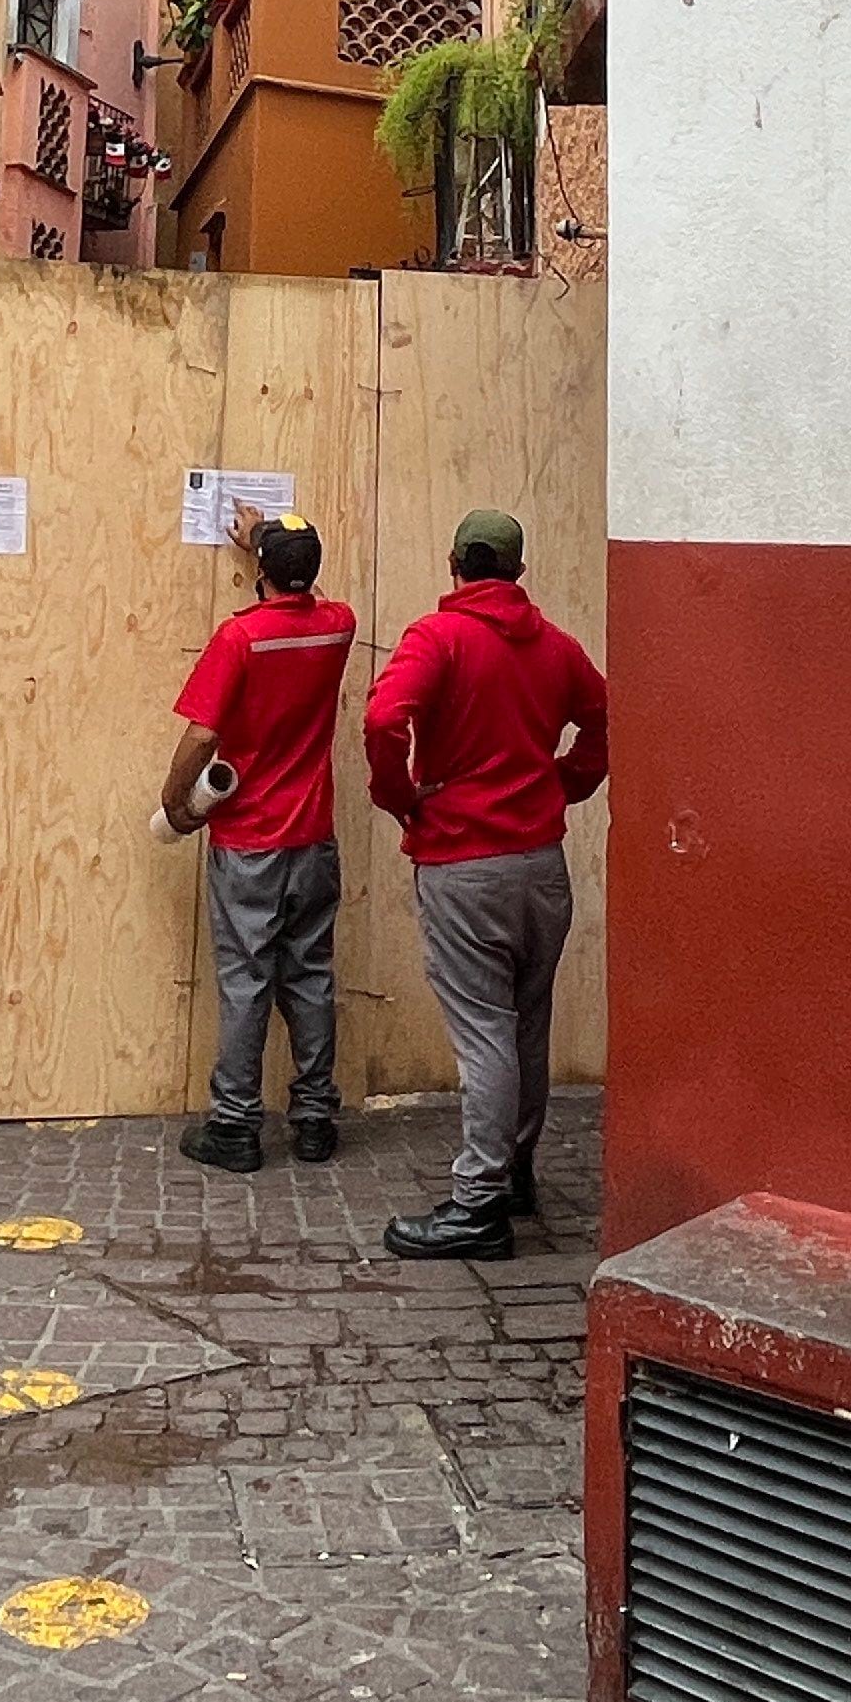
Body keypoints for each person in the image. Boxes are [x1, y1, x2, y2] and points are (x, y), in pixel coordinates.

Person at [363, 507, 608, 1260]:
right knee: (526, 1023)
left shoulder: (437, 639)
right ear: (518, 571)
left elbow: (382, 720)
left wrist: (400, 798)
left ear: (453, 563)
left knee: (484, 1035)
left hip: (464, 864)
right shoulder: (557, 649)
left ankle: (477, 1206)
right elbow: (604, 718)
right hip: (540, 864)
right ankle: (515, 1174)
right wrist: (568, 783)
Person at [160, 512, 357, 1172]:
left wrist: (176, 801)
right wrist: (268, 549)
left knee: (246, 981)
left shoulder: (240, 639)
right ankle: (313, 1122)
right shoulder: (339, 626)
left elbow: (201, 736)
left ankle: (236, 1125)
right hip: (313, 837)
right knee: (309, 976)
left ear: (262, 573)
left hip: (248, 840)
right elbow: (307, 598)